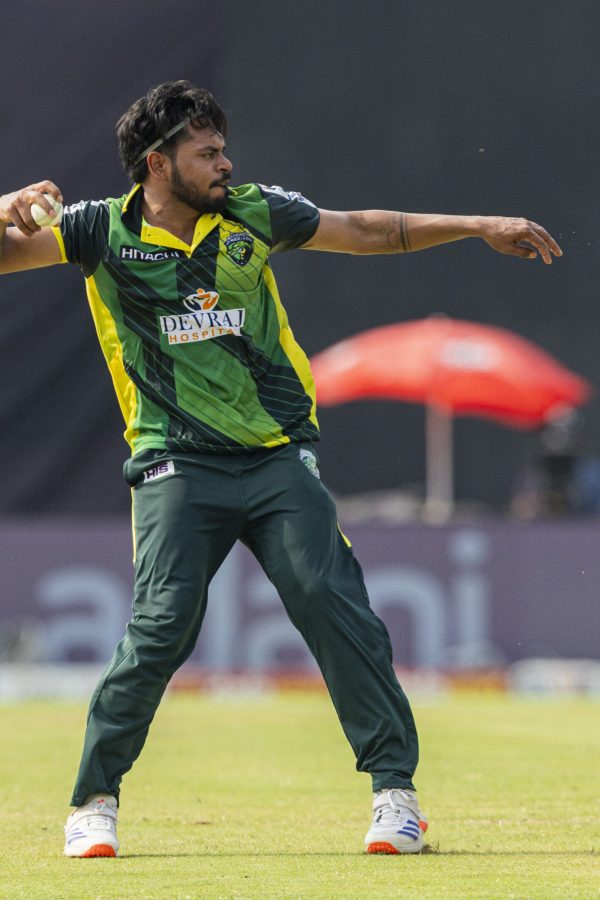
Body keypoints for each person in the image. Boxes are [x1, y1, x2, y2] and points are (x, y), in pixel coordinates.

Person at [0, 80, 562, 859]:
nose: (226, 163)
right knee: (161, 629)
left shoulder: (252, 213)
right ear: (158, 164)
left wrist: (477, 226)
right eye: (207, 153)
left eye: (223, 148)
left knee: (335, 605)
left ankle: (395, 796)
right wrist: (1, 206)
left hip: (273, 457)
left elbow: (363, 230)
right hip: (173, 462)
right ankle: (93, 803)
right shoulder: (97, 231)